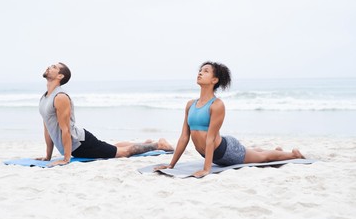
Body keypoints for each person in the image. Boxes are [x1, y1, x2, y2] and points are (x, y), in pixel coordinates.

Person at [155, 61, 304, 178]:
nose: (200, 73)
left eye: (205, 71)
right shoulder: (190, 105)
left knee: (261, 158)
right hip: (214, 151)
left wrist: (207, 169)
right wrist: (171, 165)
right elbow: (184, 137)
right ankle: (275, 151)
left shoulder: (216, 105)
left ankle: (293, 155)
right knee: (251, 152)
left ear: (214, 79)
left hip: (226, 151)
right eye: (200, 71)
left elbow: (211, 138)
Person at [37, 62, 174, 167]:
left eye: (53, 67)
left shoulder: (60, 97)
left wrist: (66, 158)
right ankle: (145, 143)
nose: (49, 67)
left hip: (80, 144)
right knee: (113, 148)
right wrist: (48, 156)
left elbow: (65, 129)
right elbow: (48, 128)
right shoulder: (44, 98)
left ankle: (158, 145)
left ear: (60, 76)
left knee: (122, 153)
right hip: (76, 145)